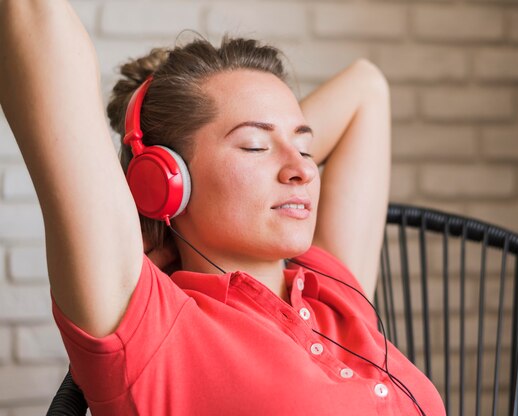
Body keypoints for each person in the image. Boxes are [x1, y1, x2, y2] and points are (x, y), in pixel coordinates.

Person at [0, 0, 445, 415]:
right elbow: (36, 24)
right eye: (253, 146)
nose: (304, 172)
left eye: (306, 149)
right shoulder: (152, 328)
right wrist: (150, 210)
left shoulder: (331, 288)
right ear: (166, 182)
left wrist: (271, 145)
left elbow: (367, 87)